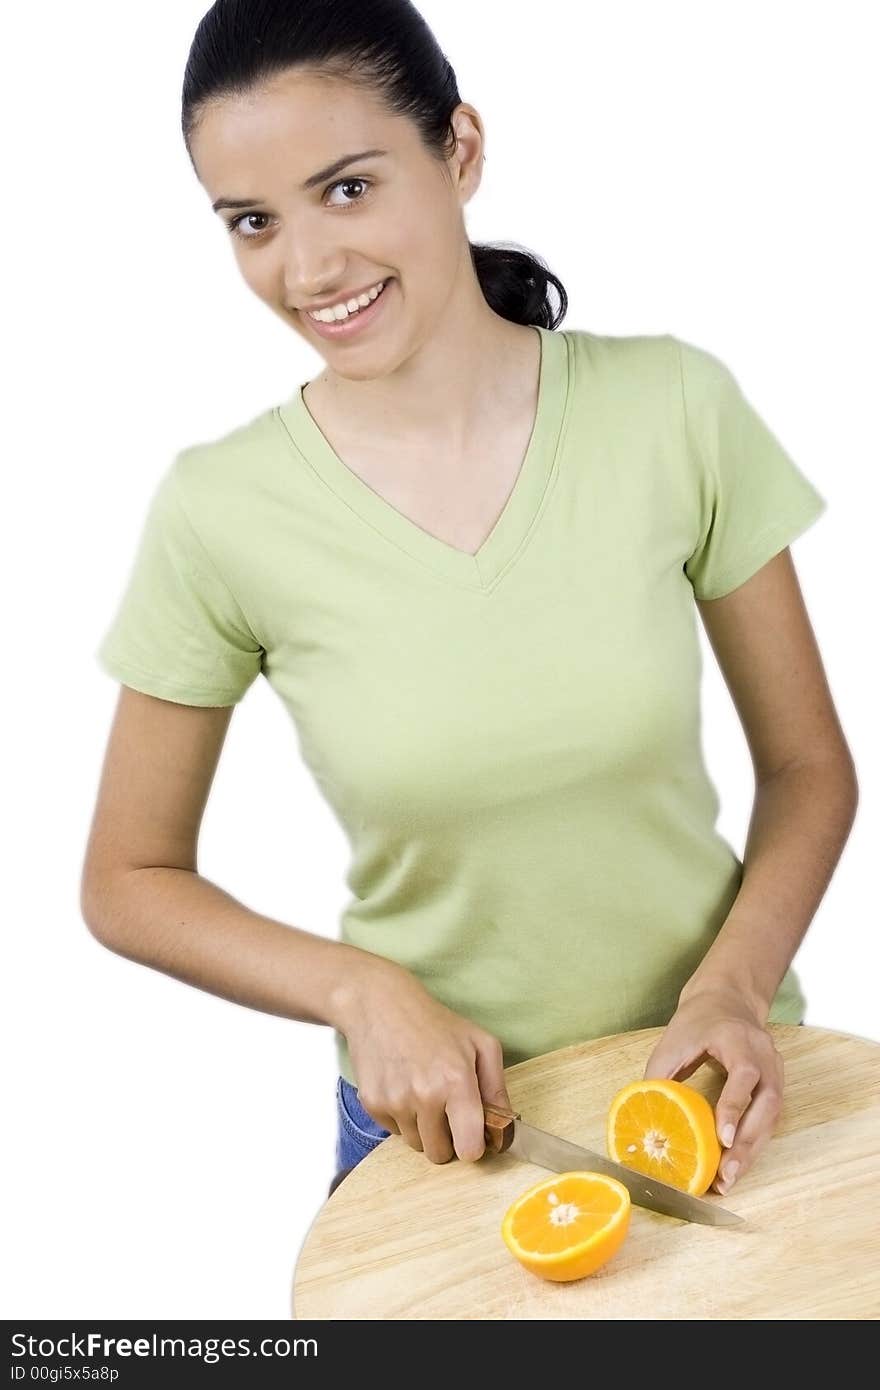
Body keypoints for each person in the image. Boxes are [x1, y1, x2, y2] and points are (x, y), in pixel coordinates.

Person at [81, 0, 858, 1207]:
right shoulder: (217, 512)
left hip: (719, 1093)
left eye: (347, 189)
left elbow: (810, 767)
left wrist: (733, 988)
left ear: (461, 149)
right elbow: (127, 877)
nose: (308, 268)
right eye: (252, 221)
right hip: (441, 1140)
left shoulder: (672, 411)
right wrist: (359, 990)